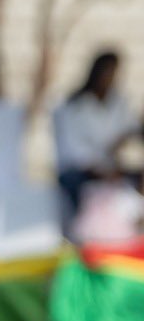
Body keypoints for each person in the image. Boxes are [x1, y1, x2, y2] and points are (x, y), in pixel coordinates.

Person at [54, 51, 141, 215]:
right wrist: (102, 172)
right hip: (79, 171)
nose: (110, 77)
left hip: (110, 168)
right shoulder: (75, 106)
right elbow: (74, 152)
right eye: (107, 71)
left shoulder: (118, 102)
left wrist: (121, 144)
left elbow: (131, 129)